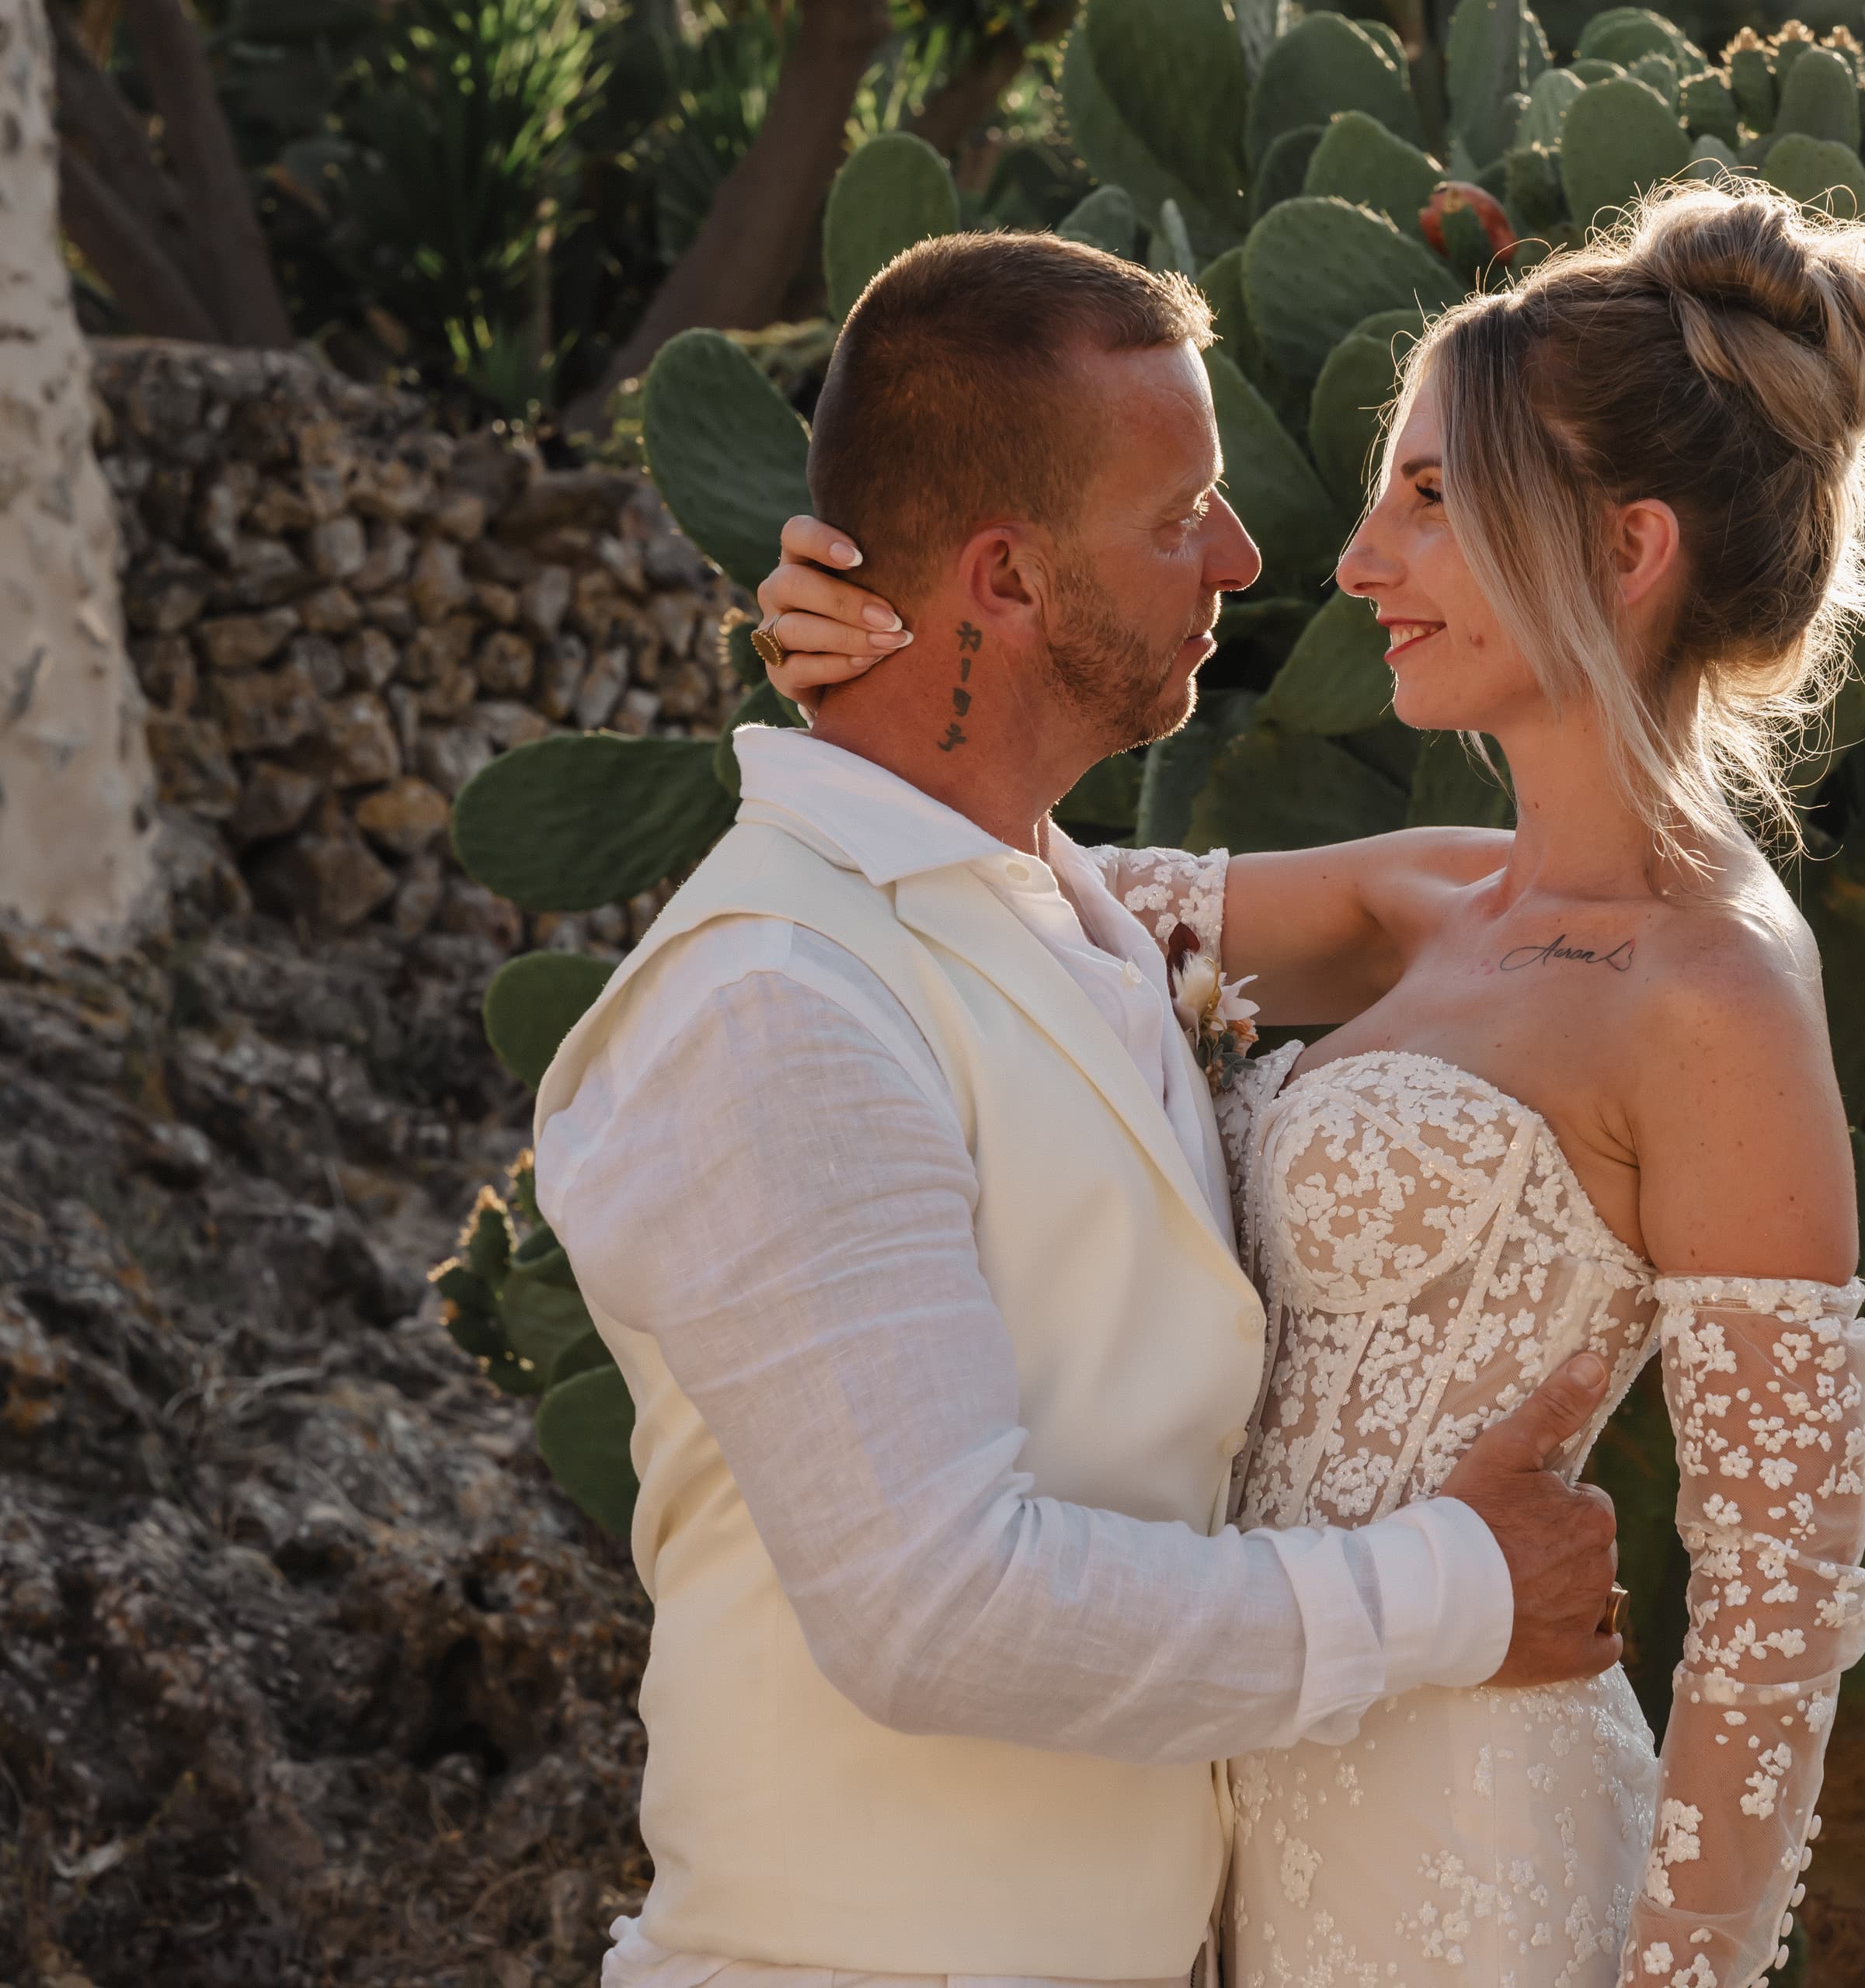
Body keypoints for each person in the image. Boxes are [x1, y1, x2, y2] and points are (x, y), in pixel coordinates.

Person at [757, 179, 1865, 1988]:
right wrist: (882, 650)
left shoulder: (1714, 997)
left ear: (1627, 553)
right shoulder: (1438, 892)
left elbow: (1777, 1605)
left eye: (1432, 501)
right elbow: (988, 896)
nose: (1363, 559)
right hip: (1223, 1782)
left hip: (1467, 1840)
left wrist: (1682, 1978)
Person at [529, 228, 1632, 1988]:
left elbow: (1430, 905)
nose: (1245, 551)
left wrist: (1695, 876)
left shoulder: (1058, 898)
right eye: (1177, 509)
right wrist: (1459, 1591)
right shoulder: (781, 1004)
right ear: (1012, 580)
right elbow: (939, 1612)